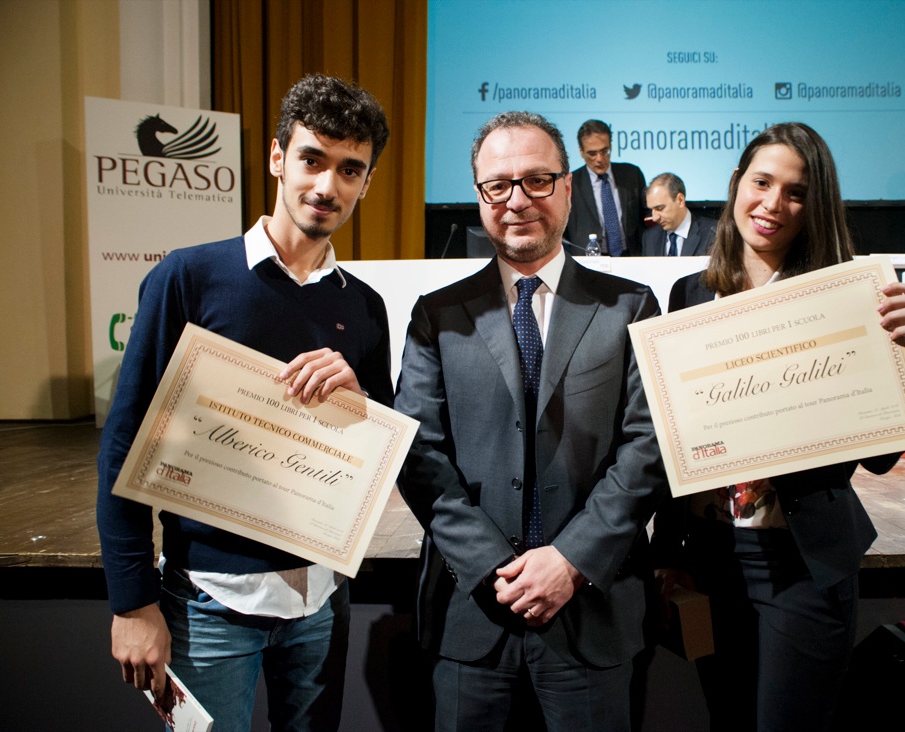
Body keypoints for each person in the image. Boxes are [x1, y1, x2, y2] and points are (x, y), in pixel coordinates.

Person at [96, 74, 393, 731]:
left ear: (366, 183)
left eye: (351, 170)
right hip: (207, 603)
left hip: (320, 602)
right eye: (313, 159)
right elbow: (123, 445)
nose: (327, 186)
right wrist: (132, 603)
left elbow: (378, 449)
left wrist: (360, 398)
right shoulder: (189, 276)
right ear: (277, 157)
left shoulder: (364, 307)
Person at [650, 122, 905, 732]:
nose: (774, 204)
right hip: (711, 556)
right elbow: (675, 442)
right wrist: (668, 552)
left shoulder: (853, 298)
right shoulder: (689, 294)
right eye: (762, 182)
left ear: (816, 205)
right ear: (735, 186)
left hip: (800, 561)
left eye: (797, 192)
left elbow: (882, 458)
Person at [394, 111, 667, 731]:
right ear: (480, 197)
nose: (517, 200)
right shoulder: (437, 316)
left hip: (591, 611)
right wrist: (496, 567)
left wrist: (568, 560)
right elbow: (419, 455)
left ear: (568, 187)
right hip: (472, 613)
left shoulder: (628, 306)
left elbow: (647, 448)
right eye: (498, 185)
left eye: (537, 181)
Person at [565, 119, 647, 255]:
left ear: (611, 146)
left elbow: (646, 217)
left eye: (605, 151)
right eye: (592, 153)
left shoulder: (632, 174)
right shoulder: (570, 183)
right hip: (589, 261)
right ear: (581, 152)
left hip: (631, 257)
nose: (600, 159)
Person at [640, 172, 717, 256]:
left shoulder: (713, 233)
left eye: (660, 208)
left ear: (680, 200)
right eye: (651, 210)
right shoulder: (649, 238)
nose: (654, 218)